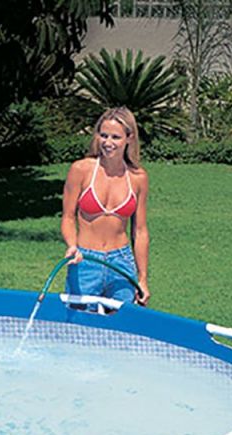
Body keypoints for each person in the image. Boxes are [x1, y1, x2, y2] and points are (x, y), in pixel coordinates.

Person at [61, 106, 150, 306]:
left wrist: (142, 278)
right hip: (84, 260)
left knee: (123, 322)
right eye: (103, 135)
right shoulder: (81, 170)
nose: (108, 143)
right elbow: (68, 217)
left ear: (129, 138)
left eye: (115, 137)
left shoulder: (138, 178)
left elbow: (140, 231)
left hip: (122, 262)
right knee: (80, 322)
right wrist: (72, 246)